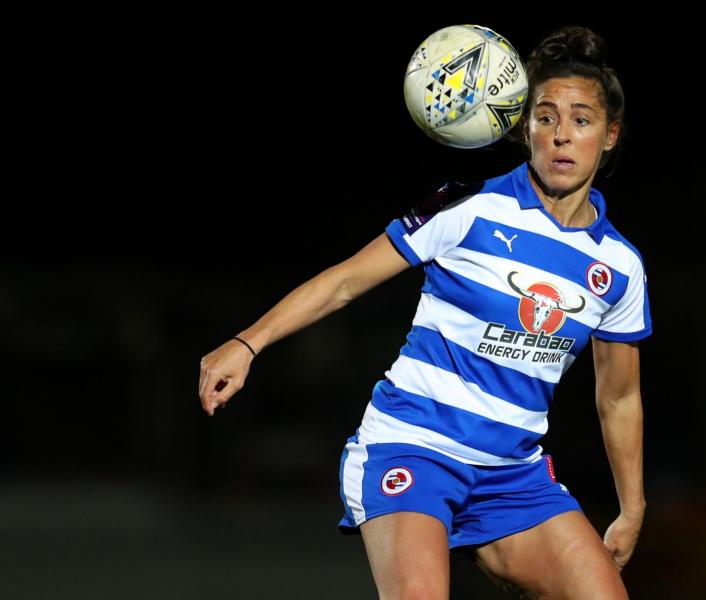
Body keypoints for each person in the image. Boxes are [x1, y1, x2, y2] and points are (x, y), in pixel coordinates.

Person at [199, 25, 650, 599]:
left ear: (609, 136)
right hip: (413, 447)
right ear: (522, 128)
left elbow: (618, 396)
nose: (562, 135)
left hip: (511, 474)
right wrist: (247, 343)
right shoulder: (468, 207)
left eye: (581, 121)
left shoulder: (620, 266)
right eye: (545, 117)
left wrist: (632, 507)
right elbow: (343, 282)